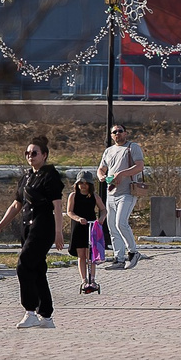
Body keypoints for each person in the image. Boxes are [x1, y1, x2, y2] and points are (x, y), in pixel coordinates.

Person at [0, 135, 63, 328]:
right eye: (27, 153)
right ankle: (46, 316)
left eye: (34, 153)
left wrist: (59, 232)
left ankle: (30, 310)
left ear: (44, 155)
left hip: (43, 226)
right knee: (37, 269)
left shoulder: (50, 175)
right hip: (27, 227)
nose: (30, 156)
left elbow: (57, 206)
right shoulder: (26, 177)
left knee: (23, 265)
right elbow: (16, 206)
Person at [97, 123, 143, 269]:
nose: (117, 134)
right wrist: (101, 176)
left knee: (121, 223)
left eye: (120, 131)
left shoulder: (132, 147)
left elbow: (139, 166)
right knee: (112, 227)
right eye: (114, 132)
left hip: (127, 192)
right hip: (111, 193)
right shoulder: (109, 151)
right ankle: (119, 258)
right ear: (111, 135)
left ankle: (133, 252)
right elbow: (101, 168)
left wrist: (122, 174)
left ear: (125, 133)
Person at [67, 170, 101, 295]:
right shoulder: (73, 196)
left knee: (90, 254)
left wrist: (101, 219)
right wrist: (78, 219)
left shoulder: (94, 196)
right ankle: (84, 279)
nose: (83, 186)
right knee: (81, 254)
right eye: (81, 183)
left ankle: (92, 279)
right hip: (79, 226)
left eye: (86, 183)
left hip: (91, 226)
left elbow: (103, 209)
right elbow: (70, 211)